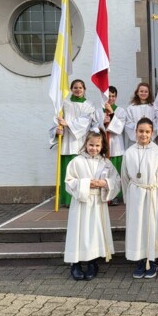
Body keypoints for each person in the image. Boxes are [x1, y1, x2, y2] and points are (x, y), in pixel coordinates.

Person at [63, 129, 120, 281]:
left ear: (102, 146)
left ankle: (92, 262)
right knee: (79, 232)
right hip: (82, 203)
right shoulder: (77, 161)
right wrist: (86, 183)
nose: (94, 148)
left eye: (97, 145)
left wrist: (105, 183)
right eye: (91, 145)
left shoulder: (106, 163)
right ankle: (75, 263)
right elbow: (69, 181)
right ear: (85, 144)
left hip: (98, 203)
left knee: (94, 232)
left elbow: (117, 181)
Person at [121, 117, 158, 279]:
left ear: (152, 133)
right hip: (136, 192)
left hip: (154, 192)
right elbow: (124, 177)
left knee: (153, 225)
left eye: (147, 132)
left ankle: (153, 258)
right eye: (141, 131)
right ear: (135, 132)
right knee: (138, 226)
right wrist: (129, 196)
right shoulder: (129, 153)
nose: (144, 135)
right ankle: (141, 258)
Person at [50, 79, 97, 207]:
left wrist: (68, 124)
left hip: (82, 143)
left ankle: (81, 196)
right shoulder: (64, 104)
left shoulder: (89, 105)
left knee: (82, 172)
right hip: (67, 143)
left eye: (80, 88)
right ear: (71, 89)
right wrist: (57, 130)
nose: (78, 90)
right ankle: (67, 200)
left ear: (84, 89)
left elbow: (86, 121)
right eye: (75, 88)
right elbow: (55, 121)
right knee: (67, 173)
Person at [96, 86, 126, 204]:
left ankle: (115, 196)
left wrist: (112, 113)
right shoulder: (98, 111)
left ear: (116, 97)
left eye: (113, 96)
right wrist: (102, 123)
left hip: (116, 145)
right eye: (109, 96)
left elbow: (120, 128)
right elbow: (94, 128)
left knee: (116, 171)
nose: (111, 99)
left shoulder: (121, 111)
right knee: (104, 171)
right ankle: (105, 194)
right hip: (104, 145)